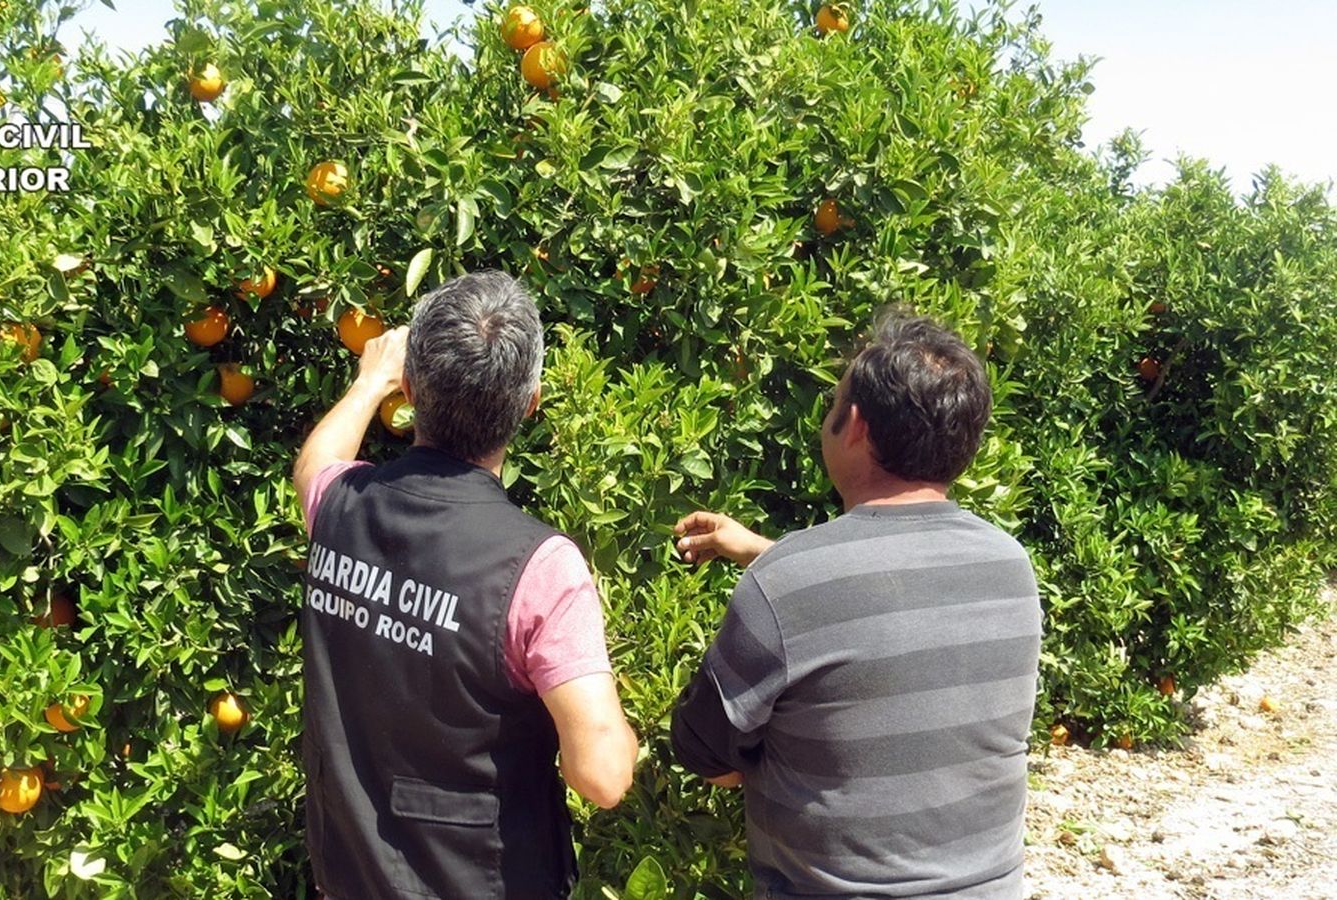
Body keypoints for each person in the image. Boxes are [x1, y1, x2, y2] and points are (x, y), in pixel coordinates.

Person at [669, 310, 1042, 899]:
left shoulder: (787, 583)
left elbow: (701, 748)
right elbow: (896, 601)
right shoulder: (1008, 565)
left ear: (858, 426)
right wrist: (762, 553)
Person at [292, 271, 638, 900]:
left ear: (412, 389)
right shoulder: (540, 568)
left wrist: (370, 381)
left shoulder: (341, 506)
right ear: (530, 403)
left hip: (349, 874)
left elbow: (315, 463)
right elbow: (604, 777)